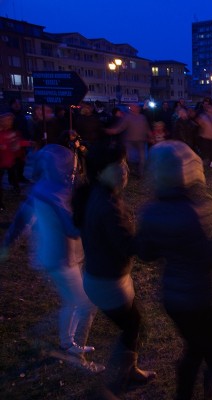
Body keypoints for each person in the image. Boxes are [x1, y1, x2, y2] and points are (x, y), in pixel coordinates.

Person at [136, 140, 212, 400]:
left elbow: (145, 253)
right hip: (197, 296)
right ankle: (206, 393)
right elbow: (210, 258)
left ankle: (185, 393)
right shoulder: (198, 210)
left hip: (171, 297)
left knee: (194, 344)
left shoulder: (150, 211)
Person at [0, 144, 103, 372]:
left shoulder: (45, 188)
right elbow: (71, 229)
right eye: (69, 167)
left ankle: (68, 343)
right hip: (58, 257)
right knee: (84, 302)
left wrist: (8, 245)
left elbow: (20, 222)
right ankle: (68, 347)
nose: (72, 172)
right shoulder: (51, 194)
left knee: (74, 300)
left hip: (62, 255)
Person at [72, 141, 156, 394]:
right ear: (100, 172)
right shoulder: (106, 204)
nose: (124, 170)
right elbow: (128, 245)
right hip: (107, 282)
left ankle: (128, 372)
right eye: (117, 165)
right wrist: (152, 230)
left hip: (104, 277)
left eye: (125, 163)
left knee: (133, 324)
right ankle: (114, 383)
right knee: (132, 326)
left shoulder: (98, 194)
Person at [105, 103, 151, 178]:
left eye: (137, 107)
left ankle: (140, 173)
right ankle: (130, 170)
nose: (137, 108)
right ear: (131, 108)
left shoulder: (142, 117)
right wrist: (111, 131)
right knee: (129, 157)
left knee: (142, 158)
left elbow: (146, 127)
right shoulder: (127, 117)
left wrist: (150, 136)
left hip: (141, 140)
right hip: (129, 141)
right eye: (135, 107)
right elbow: (120, 127)